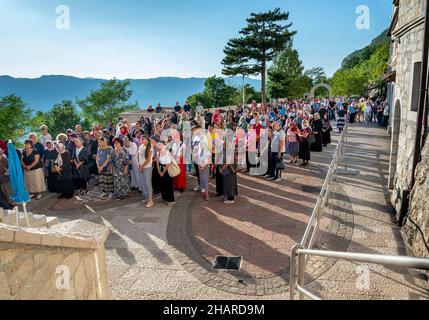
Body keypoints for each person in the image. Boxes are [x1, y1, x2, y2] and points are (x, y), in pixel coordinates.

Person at [138, 135, 154, 208]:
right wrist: (139, 165)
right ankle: (146, 197)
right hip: (141, 167)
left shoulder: (150, 147)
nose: (142, 140)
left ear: (147, 140)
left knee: (148, 184)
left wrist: (142, 166)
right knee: (143, 183)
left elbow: (148, 160)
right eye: (142, 139)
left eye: (143, 139)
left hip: (147, 167)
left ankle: (150, 200)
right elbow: (138, 156)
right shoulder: (141, 146)